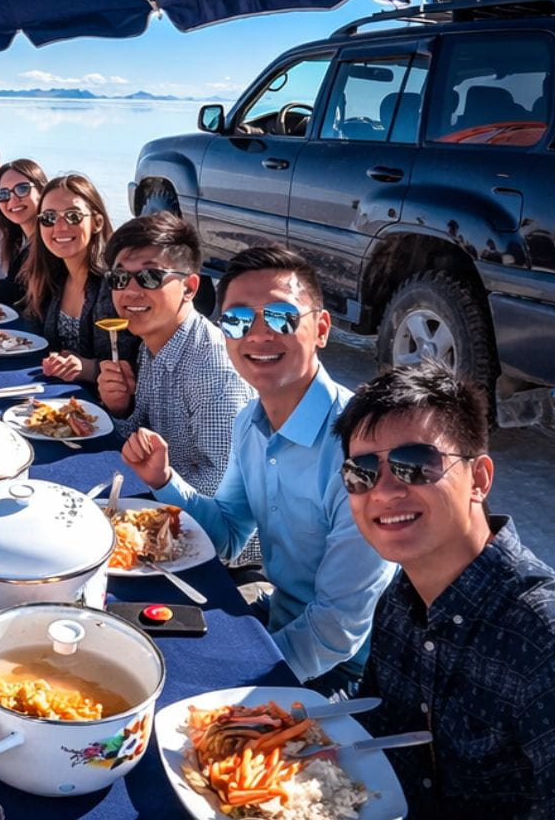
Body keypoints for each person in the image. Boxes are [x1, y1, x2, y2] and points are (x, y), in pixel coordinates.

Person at [340, 365, 555, 819]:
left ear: (480, 479)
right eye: (363, 472)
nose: (385, 491)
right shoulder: (400, 600)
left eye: (416, 464)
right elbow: (378, 728)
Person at [122, 247, 394, 695]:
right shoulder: (250, 420)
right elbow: (229, 535)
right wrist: (164, 480)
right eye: (237, 320)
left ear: (321, 329)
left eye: (282, 317)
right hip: (275, 620)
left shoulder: (361, 449)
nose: (259, 334)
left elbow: (337, 630)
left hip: (342, 671)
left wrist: (235, 677)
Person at [98, 213, 255, 505]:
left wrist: (160, 485)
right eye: (119, 278)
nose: (130, 291)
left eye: (150, 277)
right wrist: (121, 408)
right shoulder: (154, 342)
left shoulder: (213, 369)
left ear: (190, 287)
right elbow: (140, 441)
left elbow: (223, 486)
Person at [17, 173, 137, 384]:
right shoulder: (49, 277)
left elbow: (139, 362)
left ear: (97, 222)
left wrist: (89, 368)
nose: (60, 227)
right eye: (49, 218)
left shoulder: (116, 284)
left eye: (73, 216)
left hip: (102, 401)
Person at [0, 158, 45, 305]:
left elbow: (21, 294)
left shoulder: (50, 242)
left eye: (22, 189)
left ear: (41, 191)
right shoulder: (14, 237)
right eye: (3, 194)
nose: (12, 199)